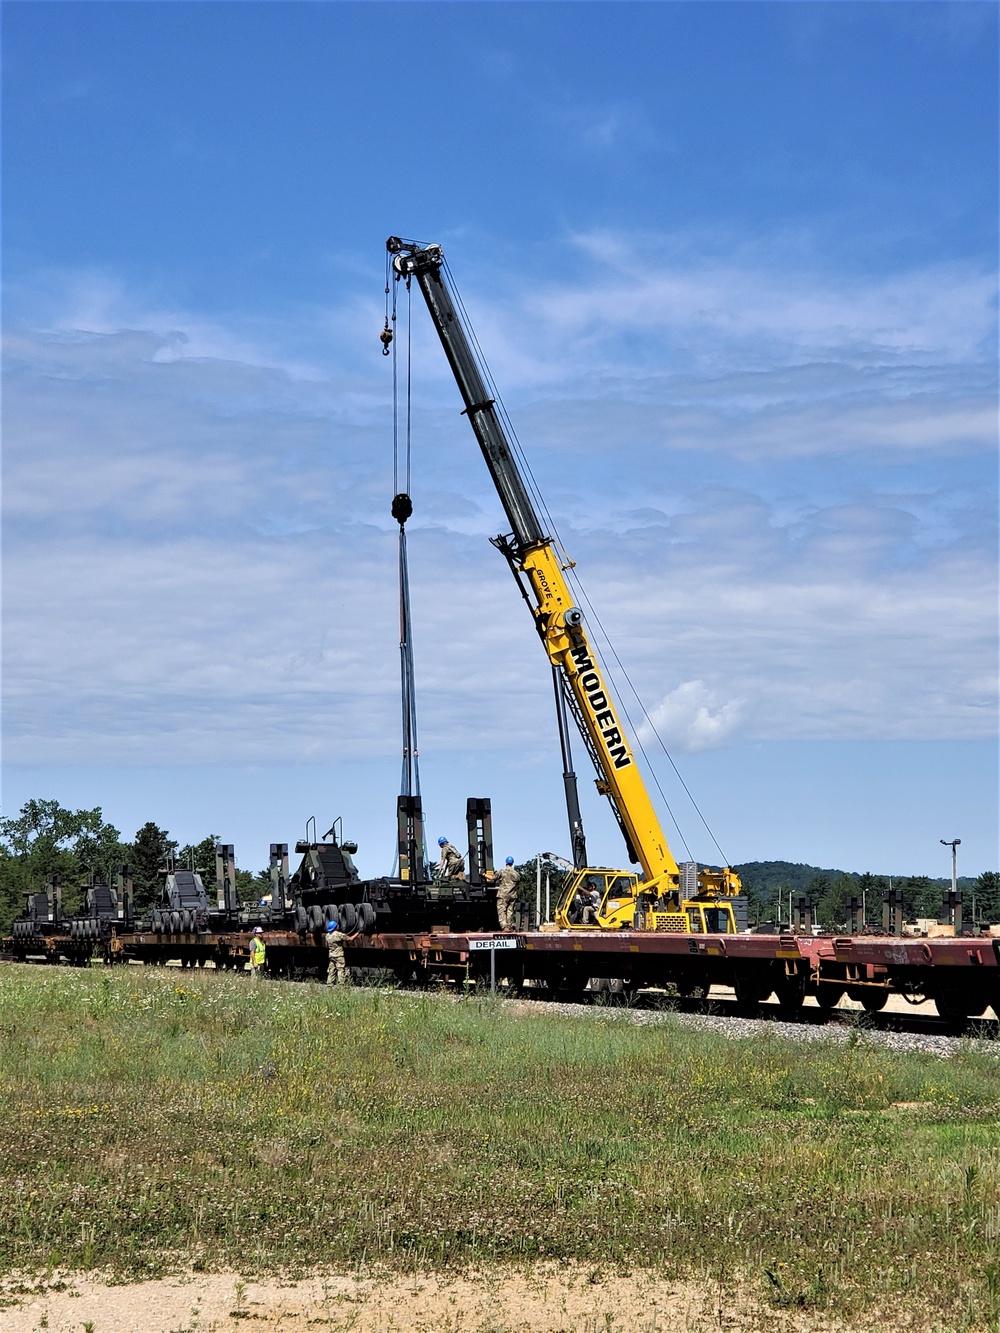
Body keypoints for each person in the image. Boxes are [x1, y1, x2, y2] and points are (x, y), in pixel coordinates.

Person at [324, 918, 357, 986]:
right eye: (337, 925)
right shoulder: (338, 934)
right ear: (335, 927)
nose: (338, 926)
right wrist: (358, 932)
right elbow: (350, 939)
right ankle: (341, 985)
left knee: (331, 971)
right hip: (339, 956)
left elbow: (327, 946)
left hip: (331, 956)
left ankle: (329, 985)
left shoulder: (327, 936)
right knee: (341, 970)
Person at [495, 856, 520, 930]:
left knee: (502, 910)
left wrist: (483, 874)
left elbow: (493, 878)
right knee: (510, 911)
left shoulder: (502, 872)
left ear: (506, 863)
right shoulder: (516, 874)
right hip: (512, 895)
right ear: (512, 863)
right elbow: (518, 882)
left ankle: (504, 926)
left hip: (503, 895)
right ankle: (509, 926)